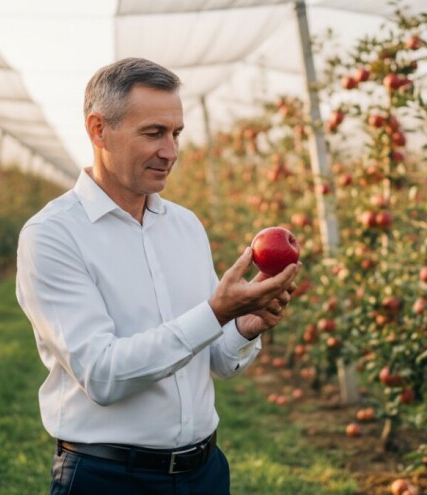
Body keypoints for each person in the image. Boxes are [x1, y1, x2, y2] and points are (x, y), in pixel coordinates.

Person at [15, 57, 299, 495]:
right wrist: (215, 312)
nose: (170, 151)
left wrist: (243, 325)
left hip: (205, 473)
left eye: (176, 133)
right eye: (153, 133)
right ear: (98, 130)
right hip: (109, 479)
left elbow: (216, 360)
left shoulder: (185, 226)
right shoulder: (53, 236)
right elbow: (103, 375)